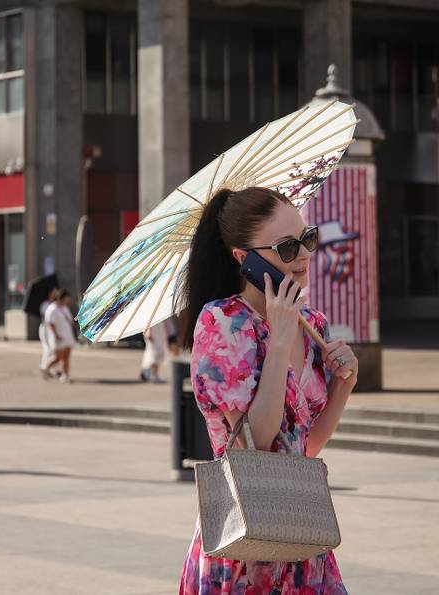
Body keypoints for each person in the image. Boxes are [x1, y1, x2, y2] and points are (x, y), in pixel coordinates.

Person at [178, 187, 358, 594]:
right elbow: (256, 442)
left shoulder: (314, 325)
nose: (304, 255)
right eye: (287, 247)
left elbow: (307, 446)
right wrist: (279, 342)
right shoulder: (222, 324)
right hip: (244, 542)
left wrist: (345, 386)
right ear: (245, 259)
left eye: (307, 239)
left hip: (301, 535)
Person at [44, 291, 76, 384]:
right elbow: (51, 323)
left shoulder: (64, 308)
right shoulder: (52, 309)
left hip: (67, 335)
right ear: (62, 298)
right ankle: (46, 367)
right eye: (67, 298)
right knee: (59, 357)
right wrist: (56, 335)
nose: (68, 300)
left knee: (66, 357)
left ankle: (65, 375)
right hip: (59, 337)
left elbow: (70, 320)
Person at [140, 318, 173, 383]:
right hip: (154, 335)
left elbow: (167, 324)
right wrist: (148, 332)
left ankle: (150, 373)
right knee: (153, 354)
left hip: (160, 334)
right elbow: (149, 321)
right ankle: (152, 374)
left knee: (156, 354)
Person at [38, 286, 61, 379]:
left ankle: (52, 370)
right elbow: (45, 317)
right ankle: (44, 367)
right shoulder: (45, 304)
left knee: (53, 349)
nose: (56, 294)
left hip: (52, 328)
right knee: (47, 349)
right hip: (45, 328)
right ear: (49, 294)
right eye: (54, 292)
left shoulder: (56, 304)